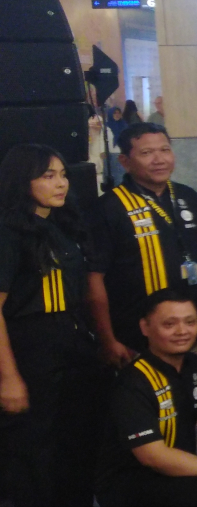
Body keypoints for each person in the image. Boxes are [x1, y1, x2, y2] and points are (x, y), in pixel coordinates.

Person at [86, 123, 197, 431]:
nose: (159, 159)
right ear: (125, 161)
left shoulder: (187, 196)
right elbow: (94, 277)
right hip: (140, 333)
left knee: (196, 402)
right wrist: (107, 338)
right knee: (150, 413)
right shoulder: (108, 208)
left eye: (165, 150)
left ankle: (191, 469)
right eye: (147, 153)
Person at [0, 144, 106, 506]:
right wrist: (8, 377)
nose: (61, 184)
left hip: (73, 345)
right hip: (31, 349)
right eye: (48, 176)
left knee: (76, 442)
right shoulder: (8, 234)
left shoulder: (59, 225)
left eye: (62, 175)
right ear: (21, 180)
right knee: (34, 451)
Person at [95, 289, 197, 506]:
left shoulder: (194, 366)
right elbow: (152, 456)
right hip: (130, 481)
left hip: (171, 470)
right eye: (169, 324)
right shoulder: (133, 382)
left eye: (190, 322)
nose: (182, 331)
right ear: (145, 327)